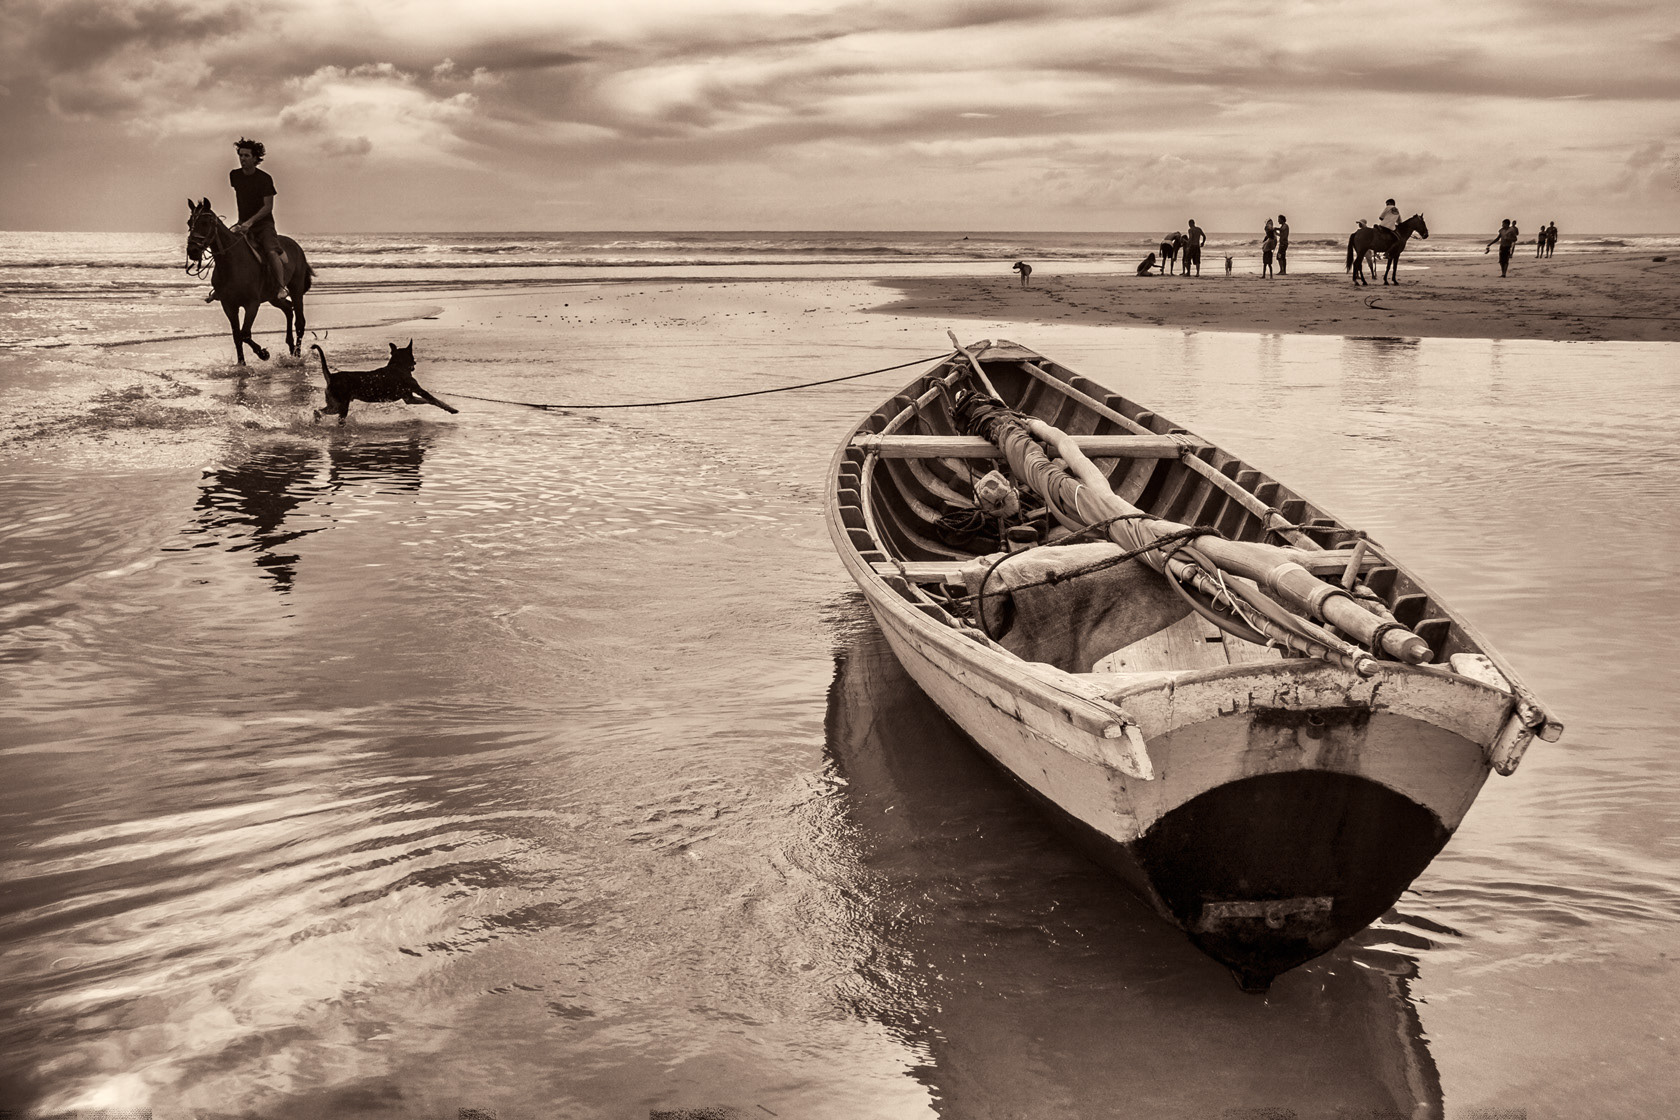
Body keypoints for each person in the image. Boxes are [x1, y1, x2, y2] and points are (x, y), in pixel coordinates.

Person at [229, 138, 289, 305]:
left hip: (263, 224)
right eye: (241, 155)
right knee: (225, 246)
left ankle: (281, 286)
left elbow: (267, 207)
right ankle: (221, 288)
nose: (242, 159)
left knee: (270, 251)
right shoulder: (234, 176)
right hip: (242, 223)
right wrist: (243, 223)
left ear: (255, 158)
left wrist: (251, 222)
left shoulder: (265, 179)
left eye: (247, 155)